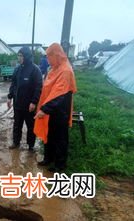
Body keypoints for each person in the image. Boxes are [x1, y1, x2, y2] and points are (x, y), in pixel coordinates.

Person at [34, 43, 77, 172]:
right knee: (49, 135)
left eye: (49, 56)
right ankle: (48, 158)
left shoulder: (65, 71)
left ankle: (60, 165)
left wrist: (44, 109)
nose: (48, 59)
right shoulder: (54, 69)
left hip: (60, 112)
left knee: (60, 139)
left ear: (56, 55)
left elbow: (60, 95)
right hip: (50, 110)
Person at [7, 47, 43, 151]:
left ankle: (31, 145)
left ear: (26, 56)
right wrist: (9, 97)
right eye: (18, 55)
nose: (19, 58)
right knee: (17, 124)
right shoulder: (17, 69)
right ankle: (16, 142)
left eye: (21, 56)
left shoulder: (35, 70)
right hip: (18, 104)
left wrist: (34, 102)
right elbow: (13, 84)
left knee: (31, 126)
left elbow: (38, 87)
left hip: (29, 106)